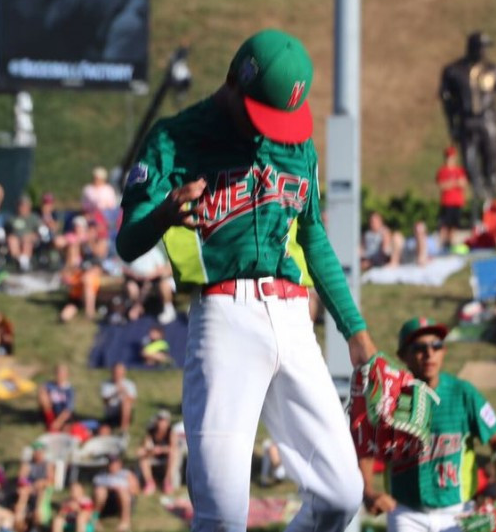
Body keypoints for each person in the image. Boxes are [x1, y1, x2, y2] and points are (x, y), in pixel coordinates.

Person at [116, 29, 384, 530]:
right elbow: (128, 242)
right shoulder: (175, 139)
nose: (274, 130)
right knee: (221, 513)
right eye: (265, 112)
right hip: (224, 316)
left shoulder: (297, 145)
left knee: (342, 494)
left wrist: (356, 332)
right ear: (234, 82)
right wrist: (164, 216)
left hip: (292, 316)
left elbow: (314, 237)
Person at [360, 318, 496, 531]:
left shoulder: (463, 393)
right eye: (419, 348)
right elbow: (366, 447)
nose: (429, 353)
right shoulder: (391, 396)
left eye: (436, 345)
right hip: (406, 511)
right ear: (403, 355)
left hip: (457, 512)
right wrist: (368, 491)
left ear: (444, 351)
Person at [439, 31, 496, 208]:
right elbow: (446, 99)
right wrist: (452, 124)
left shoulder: (493, 70)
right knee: (469, 161)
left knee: (491, 160)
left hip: (487, 120)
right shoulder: (454, 70)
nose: (483, 51)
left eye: (485, 48)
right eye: (481, 47)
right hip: (466, 121)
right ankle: (478, 197)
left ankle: (493, 199)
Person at [92, 456, 138, 532]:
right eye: (110, 464)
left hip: (124, 498)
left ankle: (125, 522)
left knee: (123, 492)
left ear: (120, 464)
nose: (112, 466)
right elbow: (95, 489)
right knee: (100, 492)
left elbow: (135, 491)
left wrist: (121, 489)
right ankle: (94, 520)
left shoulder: (127, 474)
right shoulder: (101, 475)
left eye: (114, 463)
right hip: (105, 500)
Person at [15, 443, 55, 528]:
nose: (38, 455)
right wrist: (29, 485)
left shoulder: (47, 464)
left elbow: (50, 480)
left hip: (42, 488)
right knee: (23, 492)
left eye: (40, 453)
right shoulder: (27, 464)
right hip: (29, 487)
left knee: (41, 487)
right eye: (36, 452)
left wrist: (40, 483)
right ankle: (19, 517)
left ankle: (37, 512)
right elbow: (21, 478)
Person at [435, 146, 468, 249]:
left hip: (457, 202)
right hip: (447, 202)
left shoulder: (459, 170)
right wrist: (454, 183)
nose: (450, 159)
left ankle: (450, 244)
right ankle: (441, 245)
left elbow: (463, 183)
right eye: (449, 157)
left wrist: (452, 183)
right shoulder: (442, 171)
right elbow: (442, 185)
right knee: (444, 225)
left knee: (454, 225)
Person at [137, 411, 173, 495]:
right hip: (153, 456)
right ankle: (149, 482)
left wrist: (161, 449)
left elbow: (173, 448)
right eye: (160, 420)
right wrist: (151, 451)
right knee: (143, 457)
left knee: (173, 455)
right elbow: (145, 447)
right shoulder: (151, 432)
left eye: (164, 420)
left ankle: (167, 481)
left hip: (166, 456)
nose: (162, 423)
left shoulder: (171, 432)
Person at [7, 195, 42, 272]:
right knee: (12, 239)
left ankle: (25, 262)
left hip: (30, 238)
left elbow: (40, 232)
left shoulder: (34, 218)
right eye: (21, 205)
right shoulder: (12, 218)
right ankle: (19, 260)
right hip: (15, 238)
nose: (22, 207)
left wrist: (32, 236)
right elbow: (7, 231)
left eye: (25, 205)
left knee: (26, 240)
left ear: (29, 206)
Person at [99, 363, 137, 434]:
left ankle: (123, 429)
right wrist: (115, 393)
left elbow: (132, 400)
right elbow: (105, 401)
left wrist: (124, 392)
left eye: (119, 373)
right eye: (116, 372)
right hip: (111, 413)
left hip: (126, 413)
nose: (117, 375)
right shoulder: (106, 384)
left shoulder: (129, 384)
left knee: (125, 403)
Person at [37, 364, 75, 432]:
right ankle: (50, 421)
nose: (59, 375)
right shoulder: (49, 385)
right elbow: (42, 394)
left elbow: (68, 410)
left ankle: (54, 426)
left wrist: (58, 422)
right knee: (43, 394)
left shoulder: (69, 390)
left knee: (66, 430)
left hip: (63, 415)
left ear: (67, 375)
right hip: (51, 411)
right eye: (58, 373)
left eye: (62, 373)